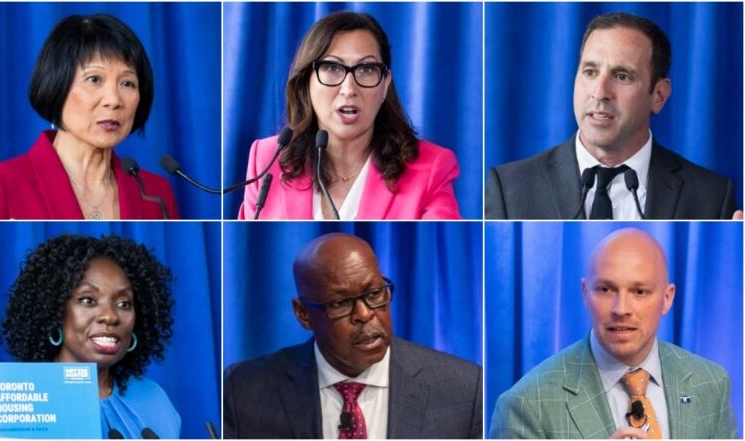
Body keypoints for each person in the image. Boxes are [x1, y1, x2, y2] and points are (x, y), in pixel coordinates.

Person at [223, 233, 481, 438]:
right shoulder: (244, 390)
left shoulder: (464, 390)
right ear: (303, 314)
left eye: (374, 294)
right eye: (341, 303)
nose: (365, 314)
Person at [485, 12, 738, 220]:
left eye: (622, 76)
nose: (600, 92)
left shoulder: (712, 199)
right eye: (590, 72)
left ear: (659, 95)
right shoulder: (509, 189)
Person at [488, 229, 737, 439]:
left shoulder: (712, 384)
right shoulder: (525, 405)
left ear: (667, 298)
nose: (621, 309)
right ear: (585, 293)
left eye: (639, 292)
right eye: (606, 289)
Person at [238, 11, 461, 220]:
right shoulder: (267, 159)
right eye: (332, 68)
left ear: (385, 85)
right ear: (307, 81)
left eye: (366, 70)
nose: (348, 89)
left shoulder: (431, 167)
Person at [0, 14, 178, 219]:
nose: (114, 100)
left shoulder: (156, 193)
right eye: (94, 79)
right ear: (56, 85)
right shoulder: (0, 184)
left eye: (127, 83)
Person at [0, 235, 179, 439]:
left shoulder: (154, 399)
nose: (110, 316)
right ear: (56, 311)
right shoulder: (19, 403)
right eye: (88, 300)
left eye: (124, 304)